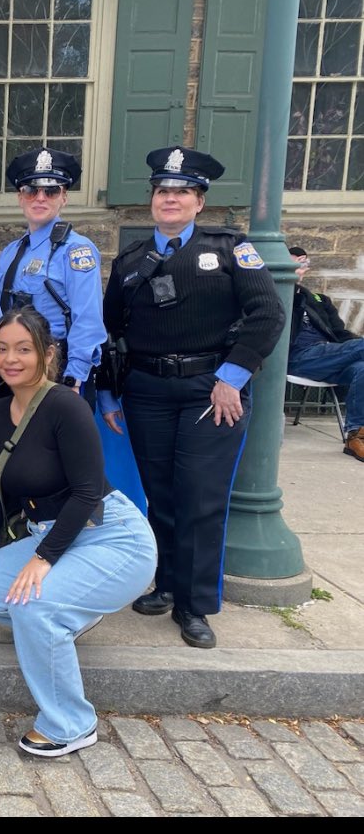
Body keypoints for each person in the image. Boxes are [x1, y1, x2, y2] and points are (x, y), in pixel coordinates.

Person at [98, 146, 285, 650]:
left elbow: (268, 314)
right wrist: (110, 394)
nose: (171, 199)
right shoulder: (132, 259)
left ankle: (195, 604)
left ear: (200, 201)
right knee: (161, 495)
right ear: (152, 199)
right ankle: (167, 584)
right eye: (163, 191)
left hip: (211, 391)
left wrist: (233, 376)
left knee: (200, 498)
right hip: (148, 390)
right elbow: (111, 328)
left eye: (182, 191)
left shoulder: (230, 248)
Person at [0, 307, 156, 758]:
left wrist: (42, 558)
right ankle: (76, 608)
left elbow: (87, 493)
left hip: (111, 536)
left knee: (32, 605)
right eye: (2, 349)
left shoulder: (65, 404)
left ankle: (71, 723)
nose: (11, 359)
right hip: (56, 533)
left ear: (47, 355)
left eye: (23, 349)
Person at [0, 147, 104, 405]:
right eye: (31, 190)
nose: (40, 198)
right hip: (13, 368)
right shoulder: (11, 252)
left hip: (56, 368)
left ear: (63, 197)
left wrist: (73, 379)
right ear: (21, 197)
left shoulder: (76, 250)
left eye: (51, 191)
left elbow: (87, 319)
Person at [287, 246, 364, 462]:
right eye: (293, 262)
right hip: (298, 357)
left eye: (302, 263)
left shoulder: (319, 300)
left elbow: (340, 334)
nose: (298, 267)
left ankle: (356, 436)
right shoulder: (277, 295)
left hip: (329, 356)